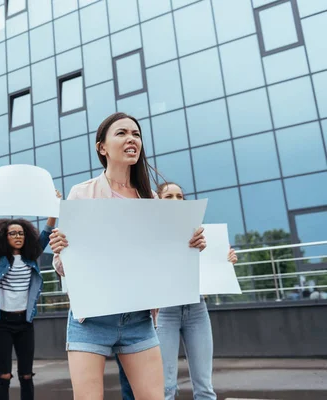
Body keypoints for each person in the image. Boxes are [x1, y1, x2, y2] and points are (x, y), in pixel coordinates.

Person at [48, 112, 207, 400]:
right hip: (91, 320)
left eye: (136, 133)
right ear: (102, 147)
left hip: (139, 321)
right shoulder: (82, 194)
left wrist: (190, 246)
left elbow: (165, 260)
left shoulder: (153, 201)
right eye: (121, 133)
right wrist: (61, 250)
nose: (131, 138)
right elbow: (61, 266)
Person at [116, 182, 238, 400]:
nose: (175, 200)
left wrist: (225, 260)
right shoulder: (149, 234)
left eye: (179, 196)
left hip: (197, 308)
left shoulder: (199, 232)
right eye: (169, 196)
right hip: (165, 311)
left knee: (205, 387)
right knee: (166, 387)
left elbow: (209, 267)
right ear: (158, 201)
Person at [0, 184, 61, 400]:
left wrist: (54, 204)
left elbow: (46, 231)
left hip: (25, 323)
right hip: (2, 324)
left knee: (27, 375)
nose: (17, 236)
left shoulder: (30, 258)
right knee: (4, 375)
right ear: (5, 237)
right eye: (12, 233)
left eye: (21, 233)